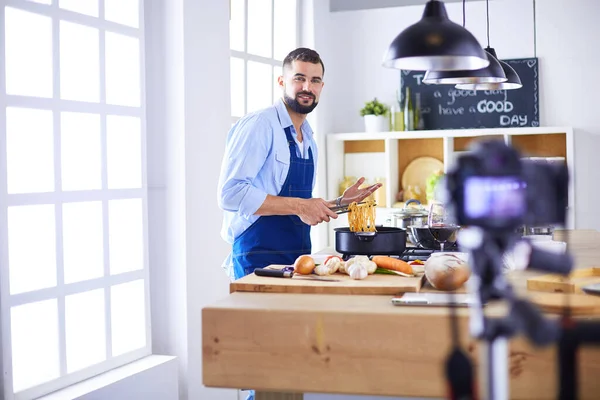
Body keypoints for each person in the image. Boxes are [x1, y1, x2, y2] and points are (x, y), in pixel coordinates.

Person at [218, 47, 381, 280]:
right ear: (282, 81)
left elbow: (301, 207)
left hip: (297, 260)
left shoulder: (308, 140)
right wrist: (301, 206)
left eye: (315, 80)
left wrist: (340, 203)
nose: (307, 87)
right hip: (256, 260)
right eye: (299, 79)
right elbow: (230, 194)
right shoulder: (260, 125)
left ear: (321, 87)